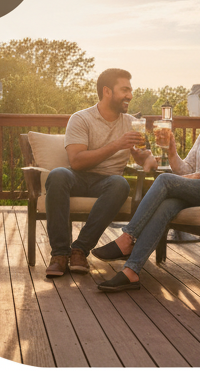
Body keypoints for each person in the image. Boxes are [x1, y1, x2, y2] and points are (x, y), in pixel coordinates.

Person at [94, 78, 200, 292]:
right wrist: (171, 151)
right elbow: (185, 170)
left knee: (165, 180)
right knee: (168, 205)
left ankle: (127, 238)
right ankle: (131, 271)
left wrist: (195, 178)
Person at [43, 68, 157, 279]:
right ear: (107, 91)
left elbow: (142, 157)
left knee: (120, 184)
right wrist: (117, 145)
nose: (130, 95)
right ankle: (59, 254)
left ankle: (79, 251)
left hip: (108, 182)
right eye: (124, 90)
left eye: (130, 90)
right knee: (58, 174)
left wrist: (149, 158)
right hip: (78, 177)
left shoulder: (131, 122)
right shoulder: (81, 118)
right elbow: (76, 162)